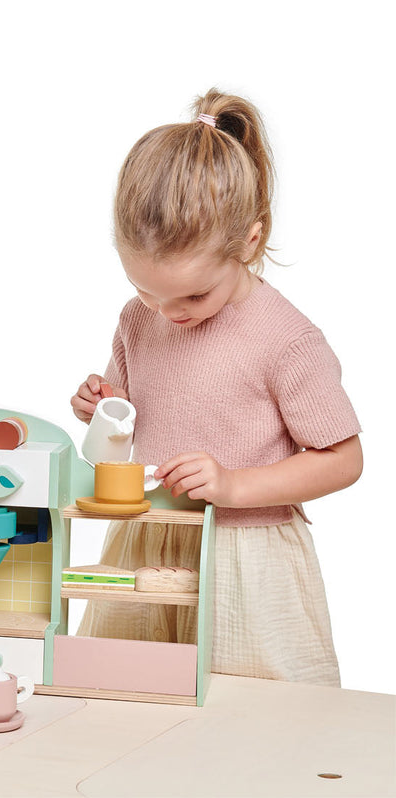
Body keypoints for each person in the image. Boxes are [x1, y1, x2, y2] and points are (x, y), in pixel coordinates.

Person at [70, 90, 362, 686]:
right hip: (146, 541)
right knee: (122, 698)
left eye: (193, 295)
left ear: (250, 243)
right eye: (148, 290)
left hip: (244, 559)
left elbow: (344, 459)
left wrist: (233, 484)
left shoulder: (286, 339)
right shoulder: (138, 318)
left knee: (255, 719)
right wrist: (102, 411)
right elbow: (122, 437)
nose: (169, 312)